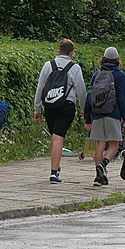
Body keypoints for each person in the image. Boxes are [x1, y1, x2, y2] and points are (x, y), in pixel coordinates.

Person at [34, 39, 87, 183]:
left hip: (49, 105)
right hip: (66, 105)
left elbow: (40, 88)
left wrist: (37, 108)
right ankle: (53, 173)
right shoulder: (75, 68)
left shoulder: (48, 65)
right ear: (71, 53)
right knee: (58, 137)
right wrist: (84, 110)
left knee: (53, 136)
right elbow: (81, 92)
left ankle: (55, 167)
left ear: (58, 51)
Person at [84, 47, 125, 186]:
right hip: (113, 114)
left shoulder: (97, 74)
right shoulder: (120, 75)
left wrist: (87, 118)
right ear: (117, 60)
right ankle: (103, 164)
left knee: (100, 144)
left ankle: (98, 178)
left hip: (97, 114)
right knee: (114, 144)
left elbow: (89, 97)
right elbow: (122, 98)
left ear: (103, 59)